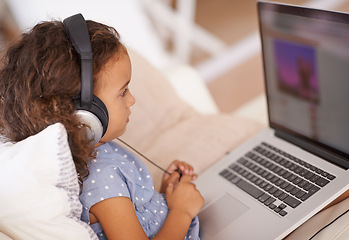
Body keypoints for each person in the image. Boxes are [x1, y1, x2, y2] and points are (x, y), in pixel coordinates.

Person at [0, 17, 204, 239]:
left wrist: (164, 196)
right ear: (85, 115)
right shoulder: (102, 179)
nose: (132, 100)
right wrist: (181, 211)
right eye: (123, 92)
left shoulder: (98, 153)